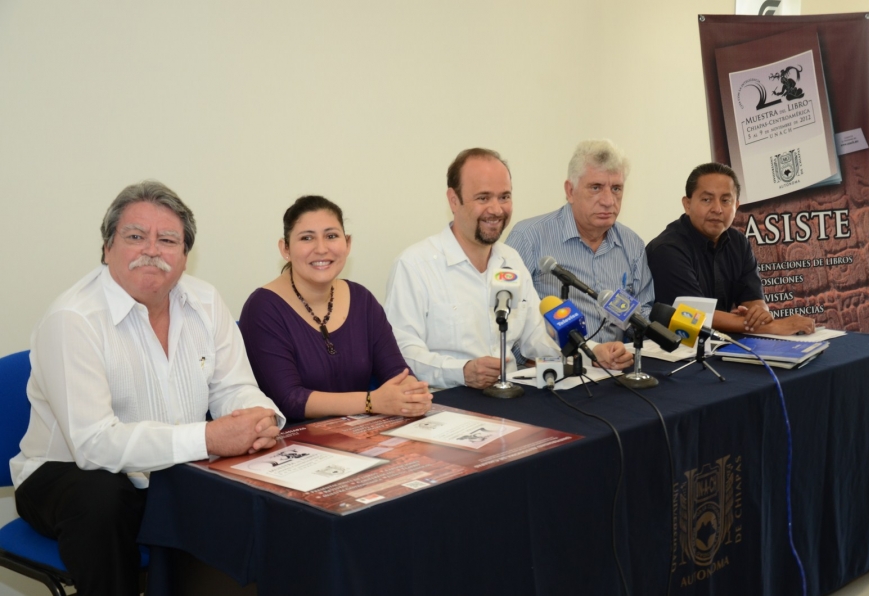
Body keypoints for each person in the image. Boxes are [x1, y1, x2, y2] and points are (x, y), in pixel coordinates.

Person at [9, 181, 285, 596]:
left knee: (253, 488)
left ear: (185, 256)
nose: (151, 250)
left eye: (168, 240)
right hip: (66, 475)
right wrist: (209, 437)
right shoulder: (72, 319)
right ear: (107, 248)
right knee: (103, 499)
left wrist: (258, 418)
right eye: (135, 237)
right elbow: (93, 445)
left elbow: (234, 386)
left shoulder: (205, 302)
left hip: (170, 471)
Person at [384, 148, 632, 390]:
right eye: (483, 198)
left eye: (504, 196)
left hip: (512, 398)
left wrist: (591, 351)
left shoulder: (510, 260)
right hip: (447, 404)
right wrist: (462, 371)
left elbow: (536, 336)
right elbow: (403, 351)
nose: (496, 209)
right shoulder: (415, 265)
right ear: (453, 200)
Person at [240, 195, 432, 422]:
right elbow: (289, 399)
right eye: (307, 238)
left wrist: (411, 392)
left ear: (347, 243)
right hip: (296, 444)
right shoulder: (263, 308)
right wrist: (372, 402)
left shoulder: (363, 300)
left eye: (331, 236)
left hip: (361, 436)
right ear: (285, 249)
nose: (321, 249)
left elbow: (396, 372)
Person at [507, 139, 654, 342]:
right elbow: (507, 318)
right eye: (596, 188)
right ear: (570, 191)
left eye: (616, 189)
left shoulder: (632, 245)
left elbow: (642, 316)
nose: (608, 200)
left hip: (615, 368)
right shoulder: (529, 237)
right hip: (555, 367)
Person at [646, 162, 816, 335]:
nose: (717, 209)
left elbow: (754, 300)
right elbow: (693, 315)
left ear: (736, 206)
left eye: (726, 200)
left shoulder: (738, 242)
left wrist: (758, 313)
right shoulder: (667, 249)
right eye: (707, 200)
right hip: (678, 352)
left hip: (722, 346)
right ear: (687, 204)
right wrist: (771, 326)